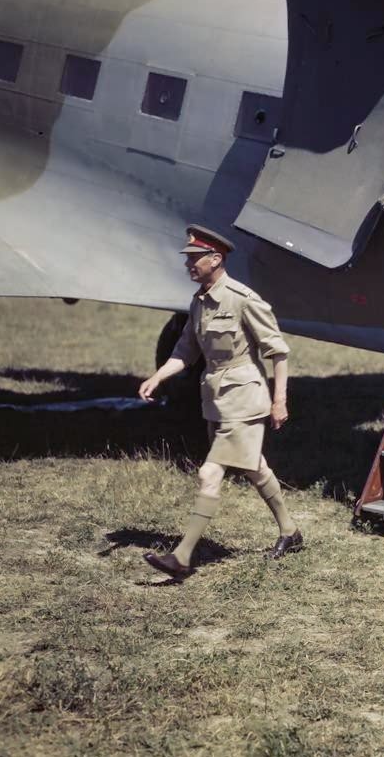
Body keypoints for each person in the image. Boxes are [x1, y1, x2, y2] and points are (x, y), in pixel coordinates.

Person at [139, 224, 301, 582]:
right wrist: (157, 377)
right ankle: (290, 532)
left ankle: (181, 558)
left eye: (195, 259)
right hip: (216, 400)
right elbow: (185, 351)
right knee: (255, 468)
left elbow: (279, 352)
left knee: (209, 473)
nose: (189, 265)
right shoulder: (198, 302)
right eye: (188, 259)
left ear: (216, 259)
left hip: (244, 397)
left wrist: (279, 401)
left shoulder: (242, 298)